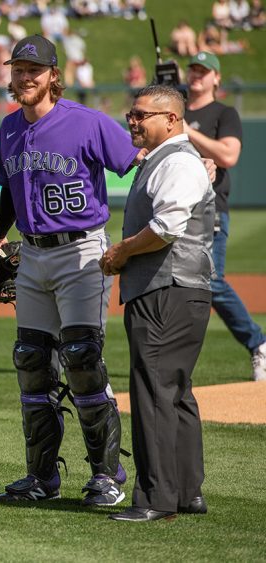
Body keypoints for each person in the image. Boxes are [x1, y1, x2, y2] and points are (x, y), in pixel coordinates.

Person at [0, 34, 143, 506]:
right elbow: (10, 193)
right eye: (18, 69)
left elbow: (137, 164)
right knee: (32, 362)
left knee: (81, 358)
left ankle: (108, 473)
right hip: (32, 254)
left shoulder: (88, 123)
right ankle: (42, 478)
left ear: (54, 75)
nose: (25, 77)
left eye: (34, 70)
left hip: (81, 253)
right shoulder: (9, 127)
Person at [101, 84, 214, 522]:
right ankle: (186, 491)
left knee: (153, 393)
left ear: (171, 119)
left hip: (167, 290)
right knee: (176, 392)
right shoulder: (172, 161)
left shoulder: (177, 161)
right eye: (131, 113)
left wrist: (122, 252)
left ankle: (155, 498)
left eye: (141, 114)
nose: (132, 121)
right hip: (177, 290)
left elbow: (166, 227)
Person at [183, 51, 266, 381]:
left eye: (204, 71)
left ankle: (258, 343)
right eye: (193, 69)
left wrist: (188, 132)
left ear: (216, 78)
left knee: (211, 280)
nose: (197, 76)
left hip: (210, 208)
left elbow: (229, 154)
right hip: (172, 209)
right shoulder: (174, 108)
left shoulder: (224, 112)